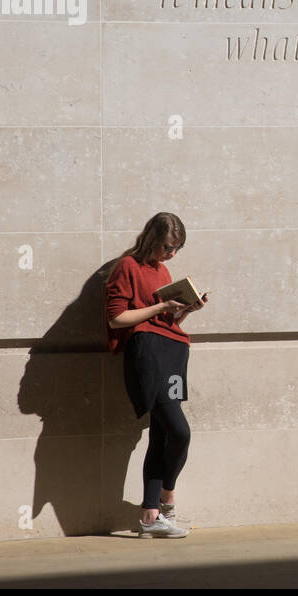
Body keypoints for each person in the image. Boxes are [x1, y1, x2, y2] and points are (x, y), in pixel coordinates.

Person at [104, 212, 209, 538]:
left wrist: (183, 311)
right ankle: (167, 498)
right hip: (148, 355)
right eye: (167, 247)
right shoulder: (127, 267)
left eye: (177, 248)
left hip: (174, 351)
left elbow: (165, 323)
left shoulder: (162, 270)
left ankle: (150, 518)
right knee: (180, 432)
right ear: (152, 238)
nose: (171, 255)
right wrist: (161, 308)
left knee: (162, 434)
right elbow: (117, 319)